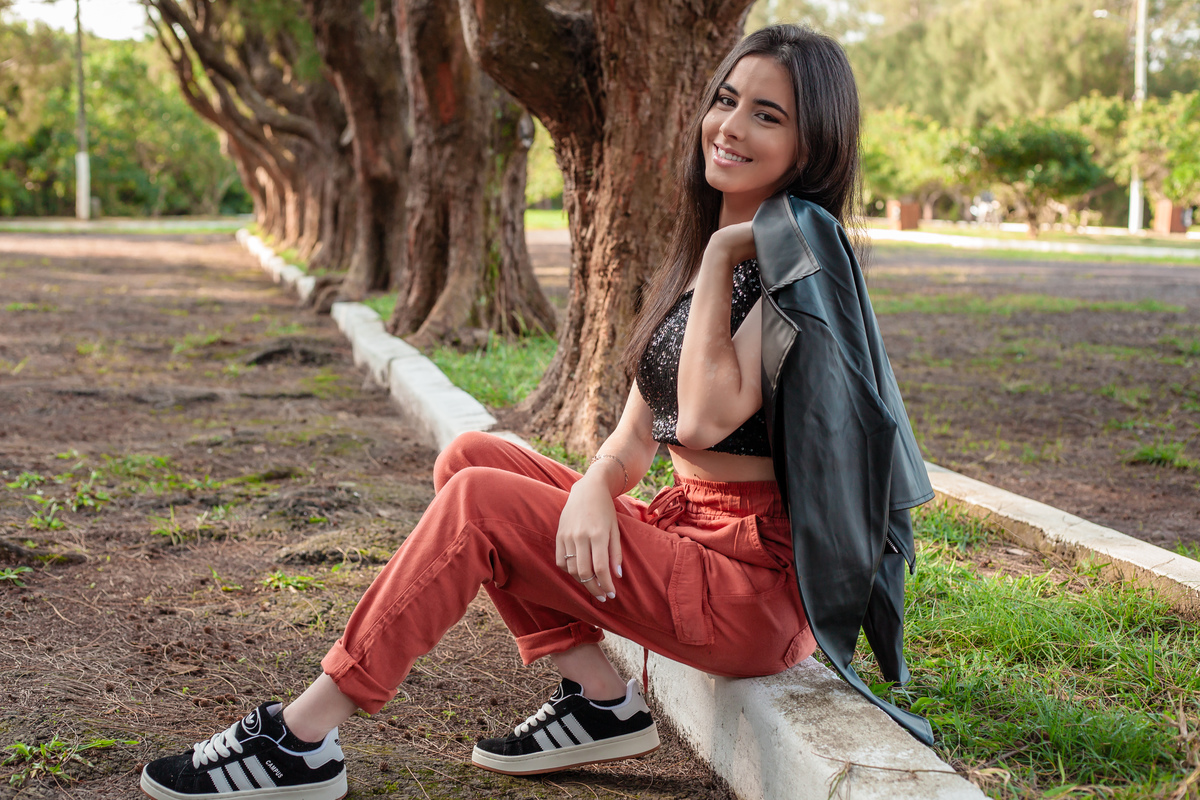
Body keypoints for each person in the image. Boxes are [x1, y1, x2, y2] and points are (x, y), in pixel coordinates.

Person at [140, 23, 874, 800]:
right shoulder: (705, 253)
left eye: (767, 114)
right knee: (471, 458)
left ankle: (303, 737)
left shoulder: (797, 273)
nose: (730, 126)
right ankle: (600, 699)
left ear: (811, 146)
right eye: (726, 100)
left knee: (482, 505)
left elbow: (697, 421)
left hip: (749, 590)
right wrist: (594, 484)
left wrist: (726, 253)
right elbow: (635, 436)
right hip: (687, 531)